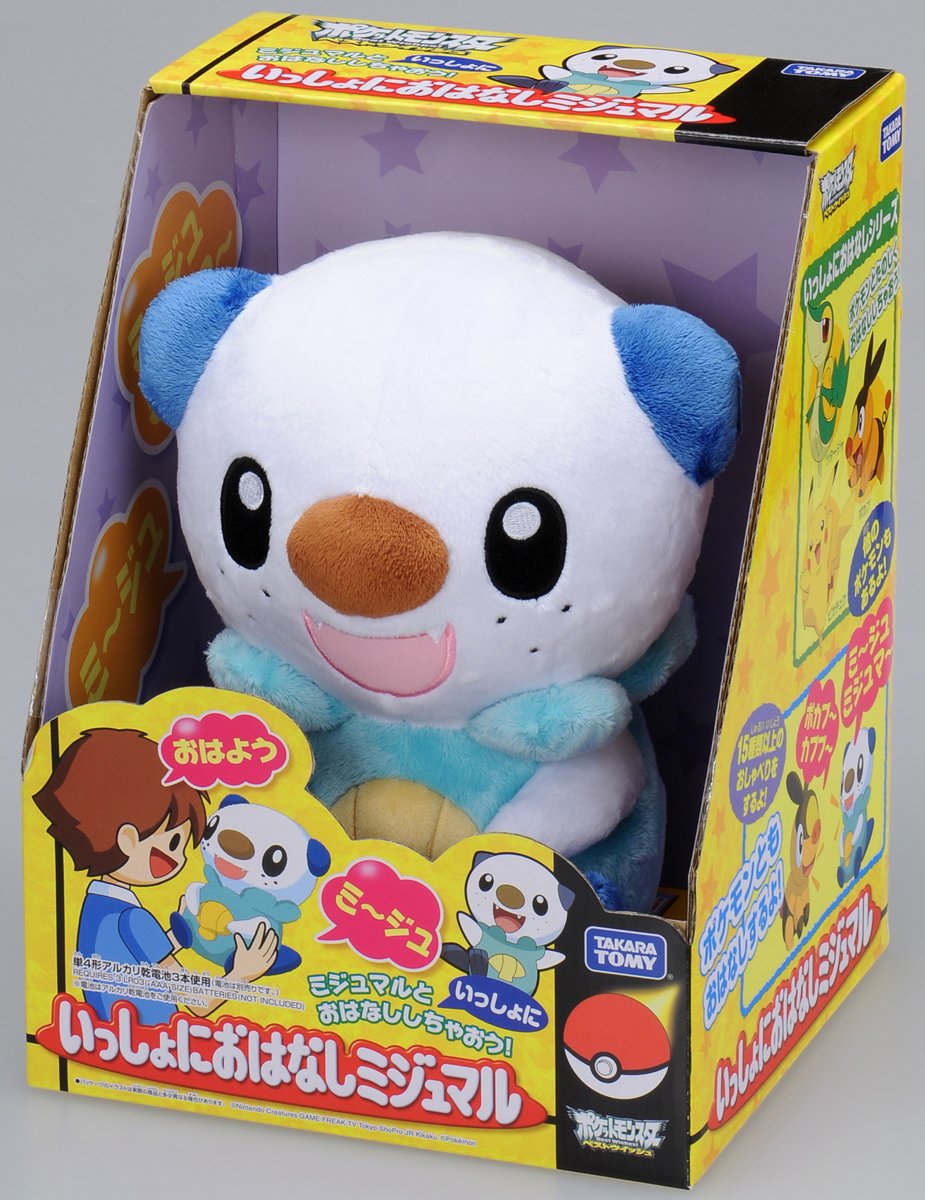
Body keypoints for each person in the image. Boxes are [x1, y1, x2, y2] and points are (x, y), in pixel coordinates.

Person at [33, 726, 278, 1023]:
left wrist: (176, 935)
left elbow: (132, 959)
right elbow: (197, 1002)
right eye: (174, 844)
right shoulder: (133, 918)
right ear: (128, 840)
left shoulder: (96, 905)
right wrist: (242, 973)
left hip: (109, 1032)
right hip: (152, 1037)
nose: (180, 858)